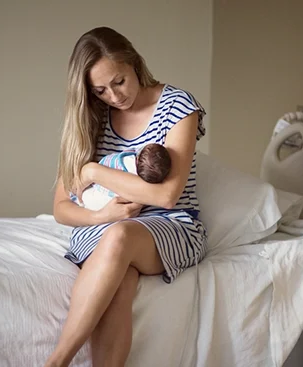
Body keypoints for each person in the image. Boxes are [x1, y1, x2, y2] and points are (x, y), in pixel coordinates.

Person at [46, 26, 207, 367]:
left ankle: (56, 362)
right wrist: (100, 216)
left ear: (133, 62)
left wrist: (92, 172)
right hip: (103, 228)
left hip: (171, 225)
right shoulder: (90, 116)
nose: (114, 97)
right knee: (119, 282)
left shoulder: (178, 105)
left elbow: (166, 195)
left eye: (118, 81)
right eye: (101, 90)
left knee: (120, 237)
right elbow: (61, 208)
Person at [73, 143, 172, 211]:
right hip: (96, 185)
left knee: (88, 198)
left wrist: (93, 172)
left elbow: (166, 197)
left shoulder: (131, 165)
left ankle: (80, 202)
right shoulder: (130, 160)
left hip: (105, 197)